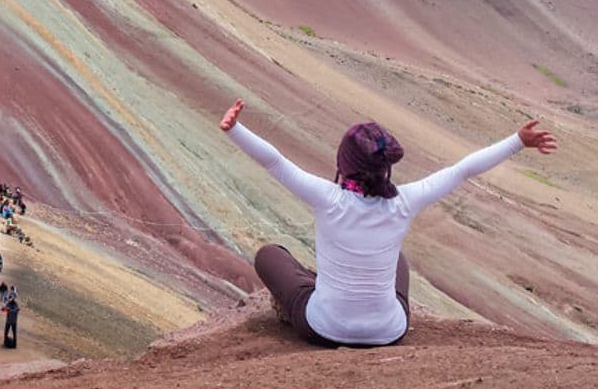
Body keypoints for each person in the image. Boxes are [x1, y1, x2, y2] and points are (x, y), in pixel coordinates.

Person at [220, 98, 557, 347]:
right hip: (389, 332)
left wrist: (235, 129)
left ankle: (314, 292)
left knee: (270, 255)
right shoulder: (404, 202)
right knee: (397, 259)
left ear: (345, 162)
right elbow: (463, 170)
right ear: (385, 167)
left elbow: (274, 162)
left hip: (323, 328)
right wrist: (517, 142)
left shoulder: (327, 198)